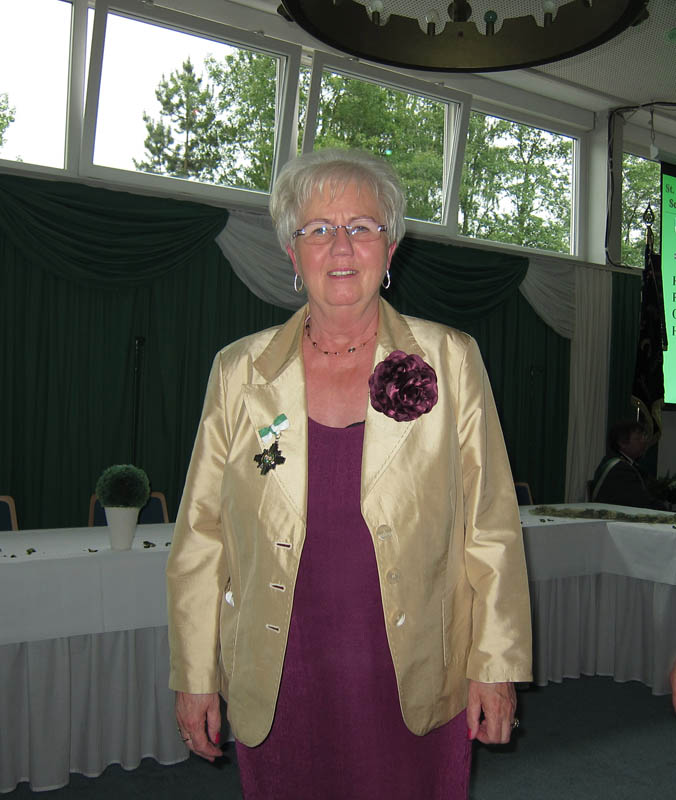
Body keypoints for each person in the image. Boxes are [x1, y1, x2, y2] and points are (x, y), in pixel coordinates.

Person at [166, 149, 532, 799]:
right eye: (318, 228)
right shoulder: (239, 372)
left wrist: (496, 664)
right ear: (292, 250)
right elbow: (201, 535)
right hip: (282, 670)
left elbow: (491, 525)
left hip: (414, 669)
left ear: (390, 248)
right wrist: (196, 674)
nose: (341, 246)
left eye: (362, 226)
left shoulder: (448, 360)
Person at [590, 420, 665, 509]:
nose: (644, 441)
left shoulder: (615, 461)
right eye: (638, 438)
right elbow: (641, 503)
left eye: (644, 437)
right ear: (622, 443)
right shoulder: (620, 470)